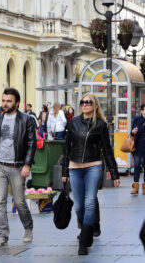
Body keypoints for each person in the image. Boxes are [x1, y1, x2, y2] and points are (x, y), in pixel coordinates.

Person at [61, 92, 120, 255]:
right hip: (75, 167)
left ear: (95, 106)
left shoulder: (100, 125)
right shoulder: (73, 122)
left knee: (90, 202)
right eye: (83, 102)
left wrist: (114, 173)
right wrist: (65, 170)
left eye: (88, 102)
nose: (85, 104)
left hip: (93, 166)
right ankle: (88, 227)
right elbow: (67, 148)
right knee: (79, 206)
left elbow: (107, 150)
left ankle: (85, 240)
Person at [0, 88, 36, 247]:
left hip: (17, 166)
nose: (5, 104)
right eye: (3, 100)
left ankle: (28, 227)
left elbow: (31, 143)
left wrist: (27, 164)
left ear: (16, 103)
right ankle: (1, 236)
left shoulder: (26, 119)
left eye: (9, 101)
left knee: (20, 201)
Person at [130, 103, 145, 194]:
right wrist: (133, 132)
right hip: (138, 146)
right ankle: (135, 187)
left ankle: (144, 188)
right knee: (137, 166)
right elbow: (131, 133)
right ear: (142, 110)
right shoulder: (137, 119)